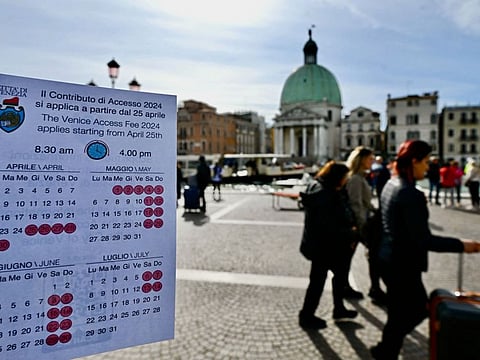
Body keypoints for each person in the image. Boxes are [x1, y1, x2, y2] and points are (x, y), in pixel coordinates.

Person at [371, 140, 480, 359]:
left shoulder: (391, 184)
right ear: (414, 161)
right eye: (426, 162)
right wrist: (462, 245)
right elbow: (423, 240)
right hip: (403, 264)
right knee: (416, 310)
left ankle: (385, 349)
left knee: (398, 311)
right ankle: (386, 350)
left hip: (387, 259)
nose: (428, 167)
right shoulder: (411, 193)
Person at [298, 161, 359, 329]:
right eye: (345, 177)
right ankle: (306, 316)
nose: (347, 180)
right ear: (337, 178)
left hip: (323, 244)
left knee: (338, 277)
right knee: (318, 282)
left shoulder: (319, 188)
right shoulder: (327, 194)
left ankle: (338, 309)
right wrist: (351, 233)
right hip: (327, 246)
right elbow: (330, 225)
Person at [346, 146, 387, 304]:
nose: (372, 161)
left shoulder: (360, 177)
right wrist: (363, 228)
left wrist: (374, 210)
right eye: (370, 158)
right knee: (372, 255)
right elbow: (356, 204)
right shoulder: (356, 179)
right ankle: (374, 289)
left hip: (362, 223)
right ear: (362, 159)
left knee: (370, 256)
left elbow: (364, 203)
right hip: (359, 225)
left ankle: (374, 288)